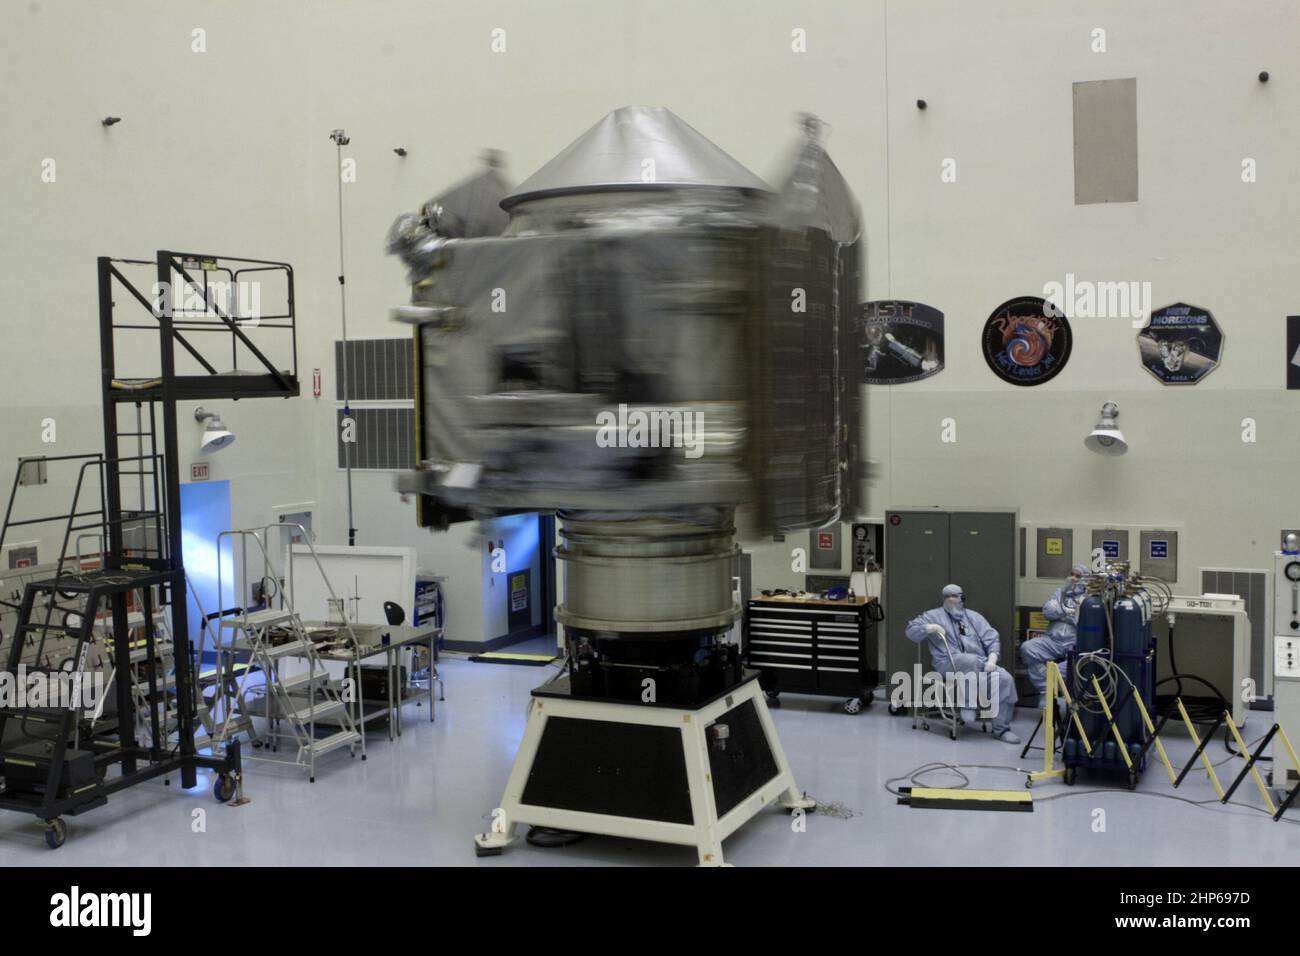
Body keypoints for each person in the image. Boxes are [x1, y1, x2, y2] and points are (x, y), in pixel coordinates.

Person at [905, 584, 1020, 743]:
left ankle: (1001, 730)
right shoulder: (933, 616)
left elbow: (991, 637)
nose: (952, 600)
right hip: (948, 663)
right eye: (948, 597)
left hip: (979, 664)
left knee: (1005, 679)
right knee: (969, 660)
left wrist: (992, 658)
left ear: (963, 599)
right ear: (944, 599)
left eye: (956, 596)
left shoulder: (974, 617)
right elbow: (911, 631)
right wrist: (928, 627)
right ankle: (968, 704)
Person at [1021, 562, 1088, 708]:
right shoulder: (1059, 592)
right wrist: (1068, 613)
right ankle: (1046, 688)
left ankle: (1052, 686)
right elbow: (1048, 612)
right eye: (1072, 574)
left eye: (1078, 576)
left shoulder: (1088, 598)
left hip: (1073, 643)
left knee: (1076, 664)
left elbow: (1081, 620)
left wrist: (1061, 612)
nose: (1073, 578)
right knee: (1027, 648)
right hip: (1052, 640)